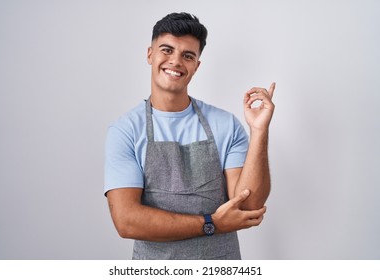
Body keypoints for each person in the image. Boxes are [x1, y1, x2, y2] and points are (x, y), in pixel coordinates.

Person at [104, 12, 275, 260]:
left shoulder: (225, 124)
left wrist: (259, 131)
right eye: (166, 50)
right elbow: (127, 221)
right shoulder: (125, 131)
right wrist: (212, 223)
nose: (175, 61)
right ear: (150, 54)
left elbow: (248, 206)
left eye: (187, 56)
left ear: (196, 65)